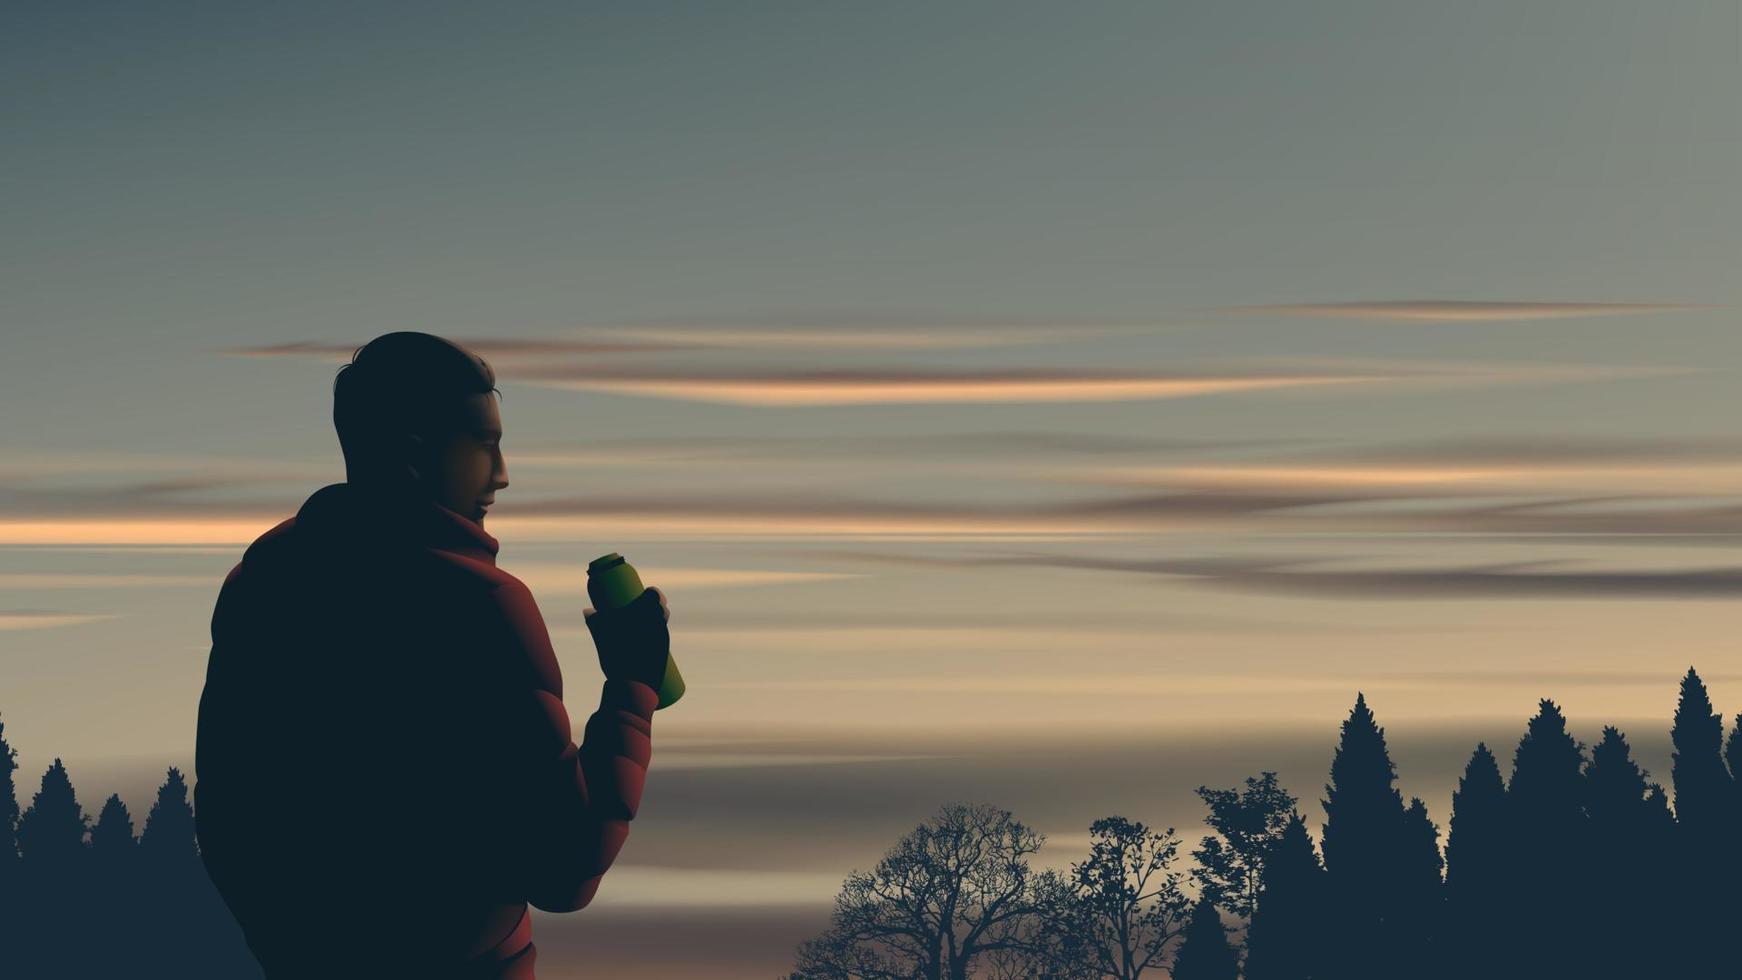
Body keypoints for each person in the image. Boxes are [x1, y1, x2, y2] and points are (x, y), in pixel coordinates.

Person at [194, 332, 671, 978]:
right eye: (485, 446)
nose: (502, 476)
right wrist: (633, 687)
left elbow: (228, 818)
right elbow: (566, 869)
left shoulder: (262, 582)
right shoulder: (480, 607)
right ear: (417, 457)